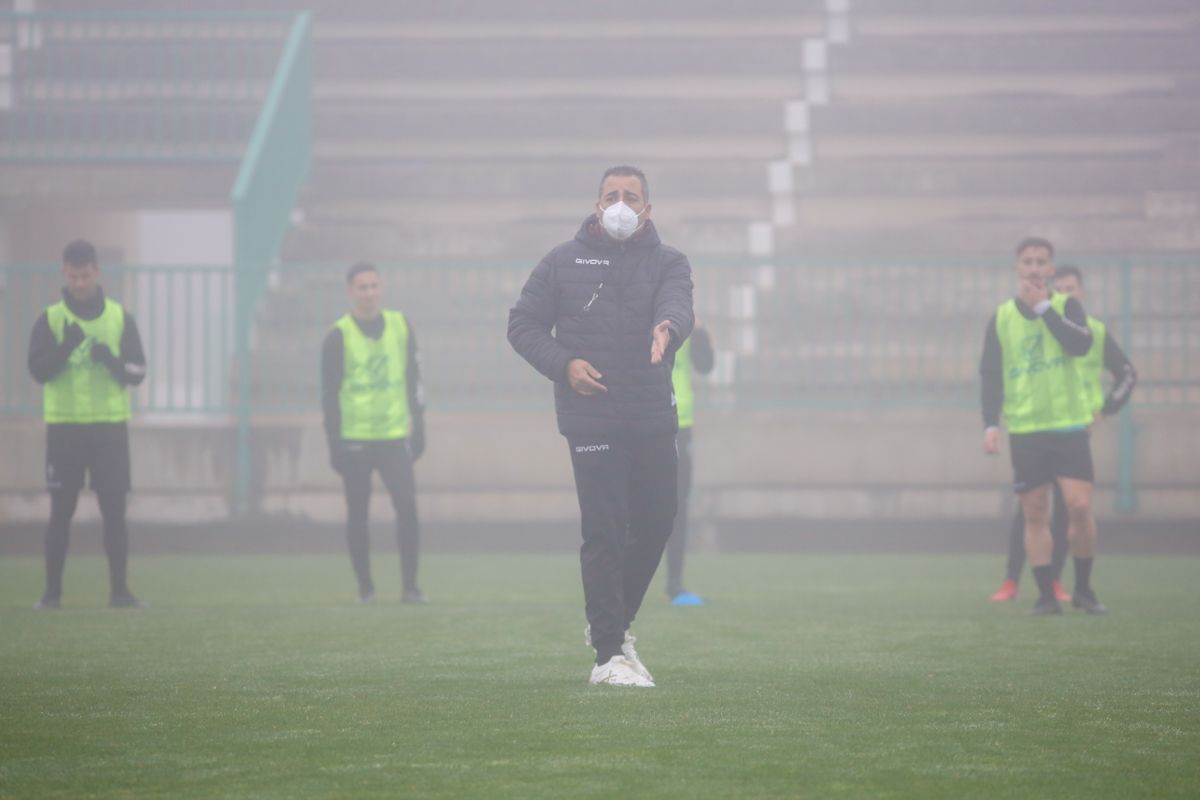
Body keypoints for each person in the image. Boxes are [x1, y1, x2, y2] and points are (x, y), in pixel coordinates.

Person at [508, 165, 694, 687]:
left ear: (647, 209)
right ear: (595, 205)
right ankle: (608, 655)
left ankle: (611, 624)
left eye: (631, 196)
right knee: (606, 527)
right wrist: (564, 364)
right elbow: (521, 324)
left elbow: (678, 305)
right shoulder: (562, 261)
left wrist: (668, 328)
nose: (620, 204)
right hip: (590, 416)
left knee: (658, 519)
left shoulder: (669, 262)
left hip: (652, 411)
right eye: (611, 195)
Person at [988, 264, 1137, 603]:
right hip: (1038, 428)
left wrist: (1105, 409)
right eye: (1061, 289)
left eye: (1072, 289)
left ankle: (1059, 582)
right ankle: (1013, 580)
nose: (1067, 294)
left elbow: (1127, 372)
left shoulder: (1092, 332)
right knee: (1030, 511)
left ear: (1081, 293)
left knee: (1072, 508)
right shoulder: (1038, 325)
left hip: (1073, 430)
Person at [979, 238, 1107, 615]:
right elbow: (990, 375)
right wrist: (990, 424)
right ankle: (1046, 596)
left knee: (1079, 507)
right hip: (1027, 430)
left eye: (1041, 261)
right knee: (1035, 514)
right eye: (1028, 261)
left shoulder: (1068, 308)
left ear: (1051, 269)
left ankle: (1083, 589)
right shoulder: (1002, 317)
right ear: (1018, 268)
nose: (1034, 268)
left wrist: (1046, 309)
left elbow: (1080, 346)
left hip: (1068, 427)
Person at [26, 240, 147, 609]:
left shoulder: (119, 318)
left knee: (114, 511)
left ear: (96, 271)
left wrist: (109, 359)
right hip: (65, 429)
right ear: (65, 273)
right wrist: (65, 348)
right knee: (61, 511)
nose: (79, 283)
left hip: (109, 429)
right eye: (73, 276)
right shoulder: (49, 320)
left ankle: (120, 592)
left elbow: (137, 371)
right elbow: (38, 371)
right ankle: (51, 594)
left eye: (85, 275)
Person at [321, 262, 426, 605]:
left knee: (407, 508)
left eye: (374, 286)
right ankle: (366, 589)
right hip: (355, 438)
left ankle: (410, 587)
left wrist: (419, 425)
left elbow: (415, 379)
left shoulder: (400, 325)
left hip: (394, 435)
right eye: (362, 287)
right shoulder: (338, 334)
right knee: (358, 513)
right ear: (351, 292)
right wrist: (333, 442)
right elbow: (329, 394)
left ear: (381, 288)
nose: (369, 293)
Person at [663, 323, 714, 606]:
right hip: (643, 423)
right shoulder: (635, 316)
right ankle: (620, 583)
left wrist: (702, 339)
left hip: (680, 425)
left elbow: (705, 366)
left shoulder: (683, 324)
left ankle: (675, 583)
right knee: (635, 507)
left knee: (678, 507)